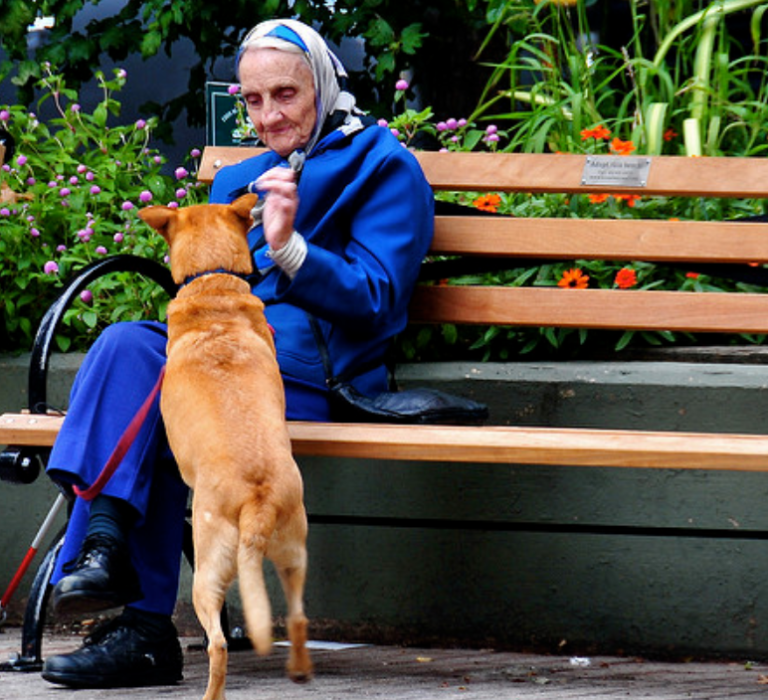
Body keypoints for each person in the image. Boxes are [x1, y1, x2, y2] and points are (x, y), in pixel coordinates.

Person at [40, 18, 434, 689]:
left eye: (284, 95)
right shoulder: (240, 178)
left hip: (305, 371)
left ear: (324, 85)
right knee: (127, 345)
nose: (269, 115)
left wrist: (290, 250)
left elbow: (378, 296)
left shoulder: (385, 167)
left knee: (176, 408)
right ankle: (105, 546)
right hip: (216, 355)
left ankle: (141, 626)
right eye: (252, 101)